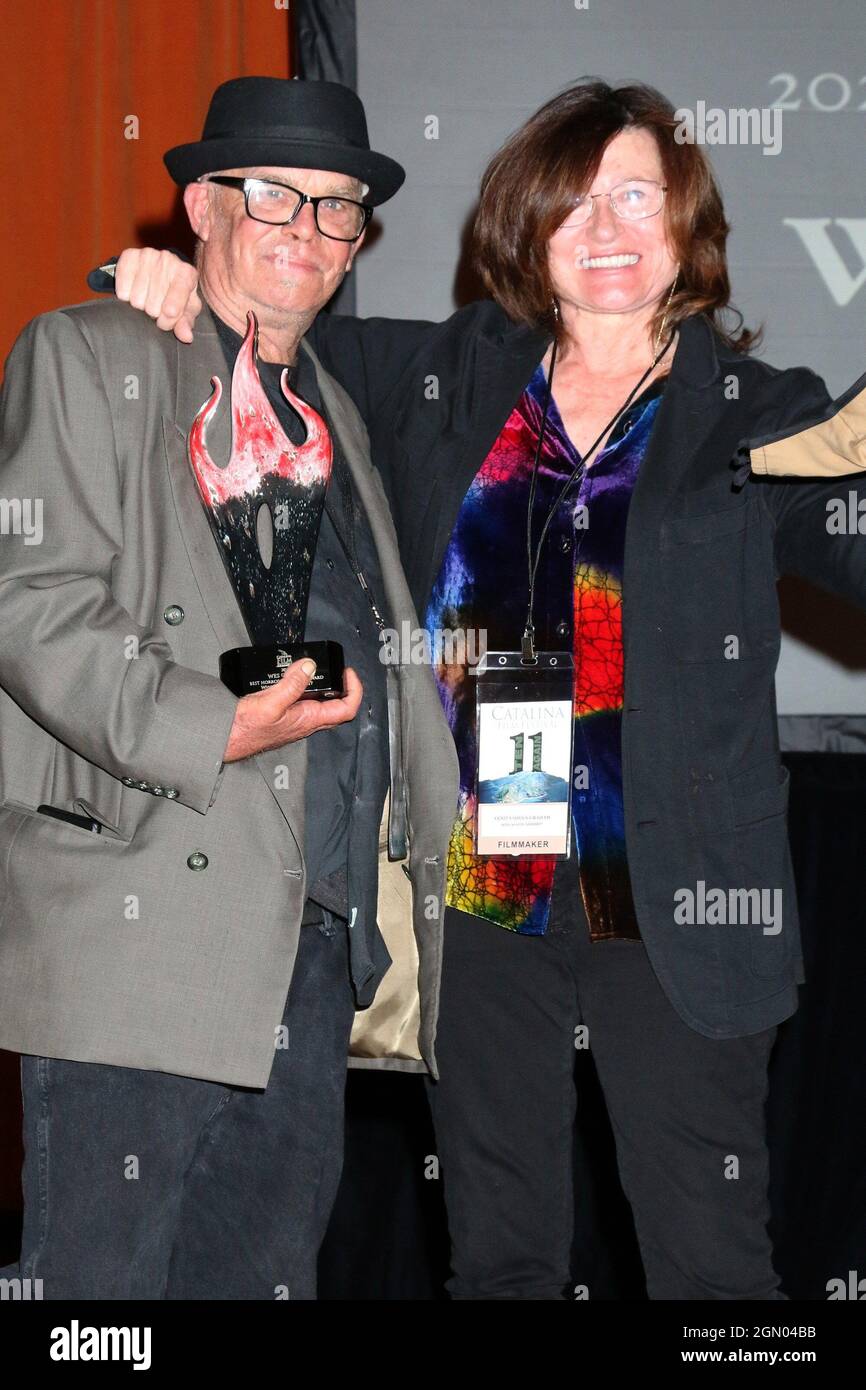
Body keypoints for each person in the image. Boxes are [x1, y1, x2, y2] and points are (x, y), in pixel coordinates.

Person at [105, 79, 866, 1300]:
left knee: (714, 1273)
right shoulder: (446, 378)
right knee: (499, 1262)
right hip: (481, 904)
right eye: (576, 204)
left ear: (684, 220)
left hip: (673, 909)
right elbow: (259, 330)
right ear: (528, 225)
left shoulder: (755, 413)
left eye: (638, 196)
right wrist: (165, 281)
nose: (608, 229)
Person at [0, 76, 458, 1300]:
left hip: (301, 947)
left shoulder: (340, 417)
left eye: (339, 210)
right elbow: (31, 606)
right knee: (98, 1308)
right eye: (274, 197)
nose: (308, 233)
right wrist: (220, 726)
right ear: (201, 204)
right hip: (141, 927)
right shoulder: (87, 352)